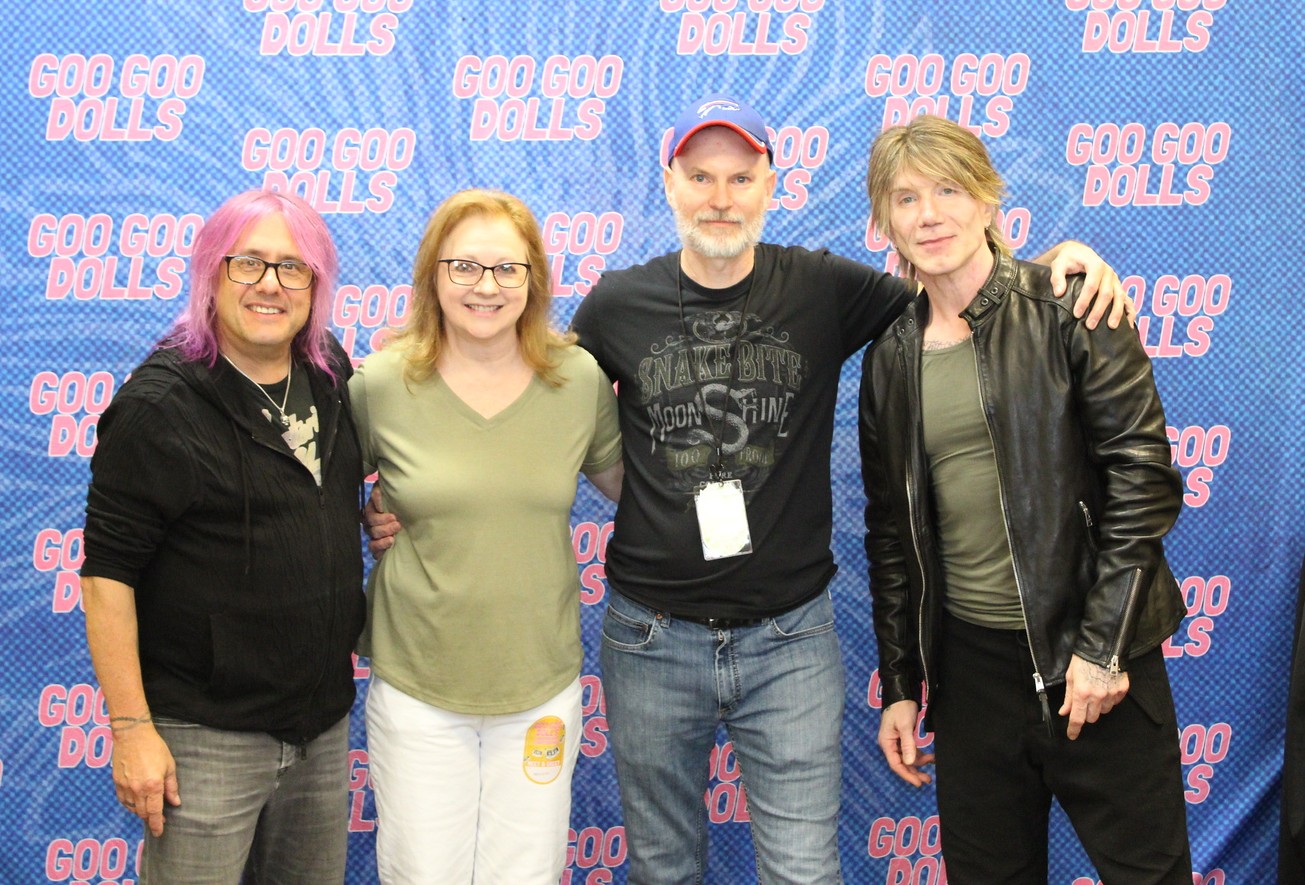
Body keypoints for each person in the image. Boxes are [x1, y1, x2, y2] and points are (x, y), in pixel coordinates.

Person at [563, 94, 1133, 883]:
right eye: (699, 177)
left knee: (803, 871)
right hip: (650, 637)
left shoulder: (822, 286)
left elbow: (960, 289)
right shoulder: (615, 303)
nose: (720, 198)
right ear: (669, 184)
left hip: (789, 639)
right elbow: (535, 391)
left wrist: (1056, 267)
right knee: (662, 868)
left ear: (771, 184)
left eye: (740, 177)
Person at [860, 114, 1191, 883]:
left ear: (986, 198)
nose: (928, 214)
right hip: (970, 677)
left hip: (1095, 658)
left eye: (948, 190)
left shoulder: (1069, 306)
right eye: (906, 198)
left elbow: (1142, 480)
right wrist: (902, 685)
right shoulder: (890, 357)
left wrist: (1102, 648)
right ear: (885, 222)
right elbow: (890, 536)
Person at [80, 189, 366, 883]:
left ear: (315, 285)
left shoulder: (329, 370)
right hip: (204, 740)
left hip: (320, 727)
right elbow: (106, 577)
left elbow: (314, 494)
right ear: (212, 272)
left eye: (292, 267)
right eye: (248, 263)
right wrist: (131, 730)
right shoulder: (158, 407)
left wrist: (374, 509)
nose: (270, 284)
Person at [350, 189, 623, 883]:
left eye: (507, 268)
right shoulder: (381, 383)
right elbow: (308, 500)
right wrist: (368, 509)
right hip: (417, 686)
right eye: (465, 266)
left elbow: (637, 491)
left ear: (534, 279)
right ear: (432, 274)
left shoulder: (576, 379)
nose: (486, 286)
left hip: (540, 687)